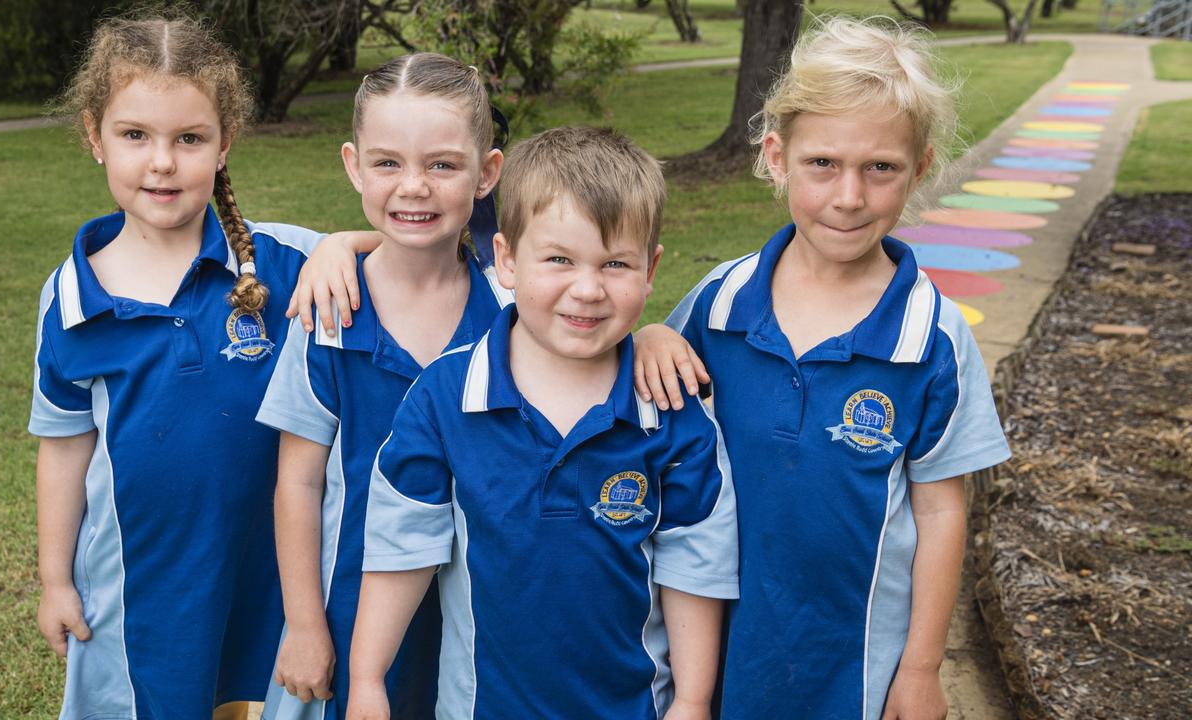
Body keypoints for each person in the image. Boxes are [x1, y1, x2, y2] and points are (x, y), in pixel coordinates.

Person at [634, 16, 1012, 720]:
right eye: (822, 164)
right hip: (714, 646)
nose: (849, 196)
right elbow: (642, 400)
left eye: (881, 168)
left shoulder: (931, 338)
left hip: (854, 662)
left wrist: (923, 668)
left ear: (921, 168)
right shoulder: (718, 304)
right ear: (777, 157)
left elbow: (939, 508)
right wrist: (651, 334)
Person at [344, 126, 739, 720]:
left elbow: (694, 567)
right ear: (505, 259)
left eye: (615, 264)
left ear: (651, 269)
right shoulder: (446, 399)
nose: (587, 290)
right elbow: (402, 548)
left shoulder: (672, 412)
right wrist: (368, 680)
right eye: (559, 259)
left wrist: (692, 699)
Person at [28, 15, 347, 719]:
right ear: (94, 137)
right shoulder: (74, 298)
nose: (162, 162)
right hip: (142, 586)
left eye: (189, 139)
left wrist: (343, 246)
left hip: (274, 578)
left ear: (224, 142)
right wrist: (55, 578)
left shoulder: (286, 263)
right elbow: (63, 447)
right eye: (135, 135)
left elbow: (413, 254)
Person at [255, 53, 509, 720]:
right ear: (354, 166)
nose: (414, 186)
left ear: (487, 173)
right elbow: (298, 484)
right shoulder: (328, 314)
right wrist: (305, 625)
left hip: (478, 612)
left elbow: (598, 316)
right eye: (389, 163)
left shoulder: (515, 316)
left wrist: (651, 337)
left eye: (443, 165)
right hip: (348, 607)